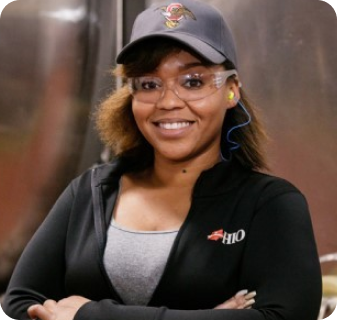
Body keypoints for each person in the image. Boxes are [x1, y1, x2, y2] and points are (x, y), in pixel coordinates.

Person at [2, 0, 322, 319]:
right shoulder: (90, 192)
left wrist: (91, 315)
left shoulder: (270, 204)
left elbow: (286, 317)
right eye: (149, 84)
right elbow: (18, 303)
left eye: (193, 81)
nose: (168, 101)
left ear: (231, 91)